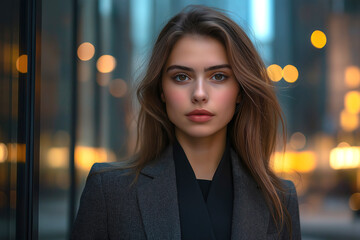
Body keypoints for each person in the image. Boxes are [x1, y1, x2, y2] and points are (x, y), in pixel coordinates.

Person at [71, 5, 301, 240]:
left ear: (240, 91)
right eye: (181, 77)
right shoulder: (110, 191)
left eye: (218, 76)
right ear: (162, 90)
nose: (199, 94)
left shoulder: (279, 200)